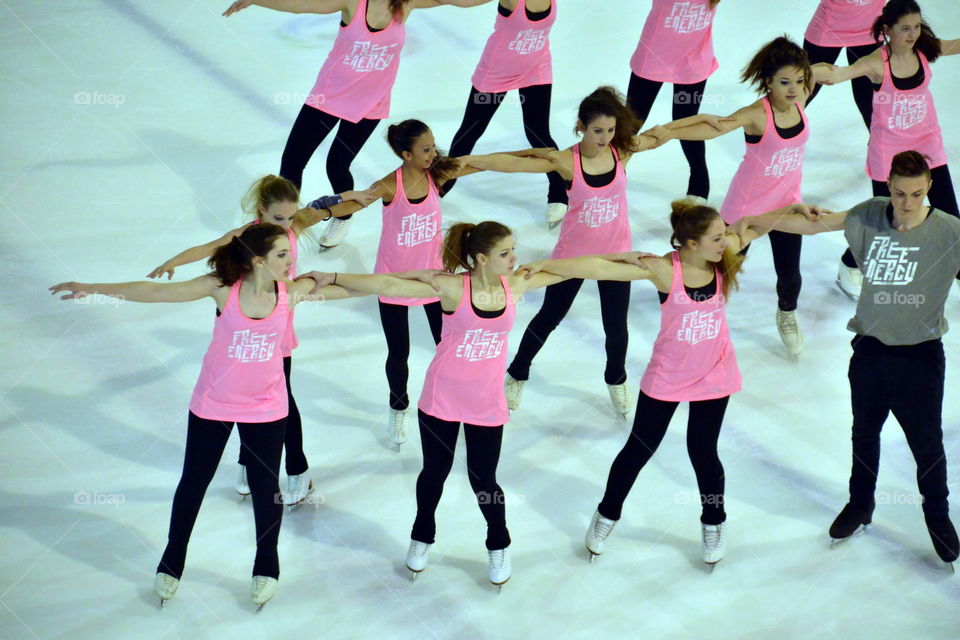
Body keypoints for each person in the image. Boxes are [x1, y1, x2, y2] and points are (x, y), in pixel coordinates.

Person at [50, 224, 363, 608]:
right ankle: (173, 558)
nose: (292, 260)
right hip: (213, 403)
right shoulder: (221, 287)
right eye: (283, 254)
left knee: (266, 490)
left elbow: (354, 289)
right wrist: (95, 288)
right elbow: (156, 292)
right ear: (258, 260)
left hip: (267, 407)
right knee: (194, 482)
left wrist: (415, 283)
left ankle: (267, 563)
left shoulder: (291, 292)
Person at [514, 200, 829, 566]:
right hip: (669, 375)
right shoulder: (665, 270)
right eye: (715, 237)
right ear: (691, 243)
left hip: (714, 373)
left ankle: (714, 522)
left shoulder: (722, 256)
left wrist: (792, 207)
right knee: (638, 450)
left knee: (703, 451)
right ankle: (606, 515)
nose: (722, 241)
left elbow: (755, 225)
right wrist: (548, 264)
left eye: (722, 235)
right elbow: (598, 265)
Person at [307, 221, 565, 588]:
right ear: (480, 259)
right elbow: (388, 284)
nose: (515, 258)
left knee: (484, 479)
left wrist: (620, 257)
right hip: (442, 397)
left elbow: (570, 267)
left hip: (486, 403)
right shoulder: (450, 287)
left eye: (513, 250)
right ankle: (421, 535)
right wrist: (332, 274)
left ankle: (498, 542)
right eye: (505, 253)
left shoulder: (517, 284)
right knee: (434, 472)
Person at [750, 151, 960, 566]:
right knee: (864, 434)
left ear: (929, 187)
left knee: (927, 444)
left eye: (916, 194)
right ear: (888, 185)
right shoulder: (867, 214)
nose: (907, 203)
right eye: (899, 193)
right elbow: (813, 223)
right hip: (869, 349)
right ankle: (860, 504)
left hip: (920, 356)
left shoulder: (950, 232)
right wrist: (758, 219)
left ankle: (937, 514)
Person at [146, 175, 378, 505]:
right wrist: (173, 262)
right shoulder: (244, 237)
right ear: (261, 212)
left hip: (276, 326)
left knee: (281, 399)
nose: (285, 225)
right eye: (277, 218)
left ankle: (297, 469)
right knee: (242, 391)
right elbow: (207, 248)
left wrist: (357, 194)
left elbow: (332, 206)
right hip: (240, 324)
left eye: (289, 217)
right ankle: (246, 461)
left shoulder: (296, 225)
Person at [222, 0, 493, 248]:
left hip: (370, 105)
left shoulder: (404, 5)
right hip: (327, 98)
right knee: (293, 161)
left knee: (337, 163)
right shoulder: (352, 4)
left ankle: (343, 216)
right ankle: (277, 228)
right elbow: (302, 5)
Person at [465, 86, 667, 417]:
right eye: (598, 130)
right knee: (548, 318)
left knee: (616, 327)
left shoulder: (622, 153)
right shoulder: (565, 161)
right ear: (580, 127)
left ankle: (616, 378)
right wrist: (468, 161)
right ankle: (517, 372)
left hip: (615, 256)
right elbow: (512, 164)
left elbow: (664, 134)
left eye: (611, 130)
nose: (605, 138)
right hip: (572, 257)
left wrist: (717, 121)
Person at [303, 119, 490, 445]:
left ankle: (456, 397)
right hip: (392, 279)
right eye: (426, 149)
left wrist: (532, 160)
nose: (433, 153)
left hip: (432, 279)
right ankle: (398, 407)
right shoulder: (390, 185)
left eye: (433, 146)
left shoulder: (439, 174)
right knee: (399, 351)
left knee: (447, 344)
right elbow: (354, 204)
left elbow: (478, 164)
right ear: (406, 154)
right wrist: (321, 211)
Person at [648, 36, 824, 357]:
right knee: (718, 273)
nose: (793, 88)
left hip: (786, 207)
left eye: (799, 80)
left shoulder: (803, 96)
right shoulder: (757, 113)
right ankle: (693, 313)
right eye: (784, 82)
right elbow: (713, 128)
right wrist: (670, 131)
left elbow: (830, 71)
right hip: (745, 208)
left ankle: (786, 313)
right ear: (768, 81)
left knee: (790, 274)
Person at [810, 0, 960, 299]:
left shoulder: (924, 48)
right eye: (905, 28)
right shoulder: (875, 63)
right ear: (886, 30)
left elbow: (954, 45)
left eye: (917, 26)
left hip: (927, 144)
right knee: (885, 221)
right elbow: (837, 74)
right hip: (889, 152)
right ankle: (849, 262)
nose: (913, 34)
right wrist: (803, 70)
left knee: (950, 216)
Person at [444, 0, 568, 227]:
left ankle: (560, 191)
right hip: (496, 72)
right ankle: (442, 184)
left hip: (536, 68)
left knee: (538, 132)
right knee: (471, 130)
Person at [627, 0, 720, 203]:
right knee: (632, 119)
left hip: (693, 59)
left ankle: (699, 180)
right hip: (653, 56)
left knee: (686, 118)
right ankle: (610, 173)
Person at [802, 0, 884, 127]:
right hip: (828, 29)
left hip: (871, 30)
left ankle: (882, 144)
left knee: (869, 98)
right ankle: (769, 134)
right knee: (803, 89)